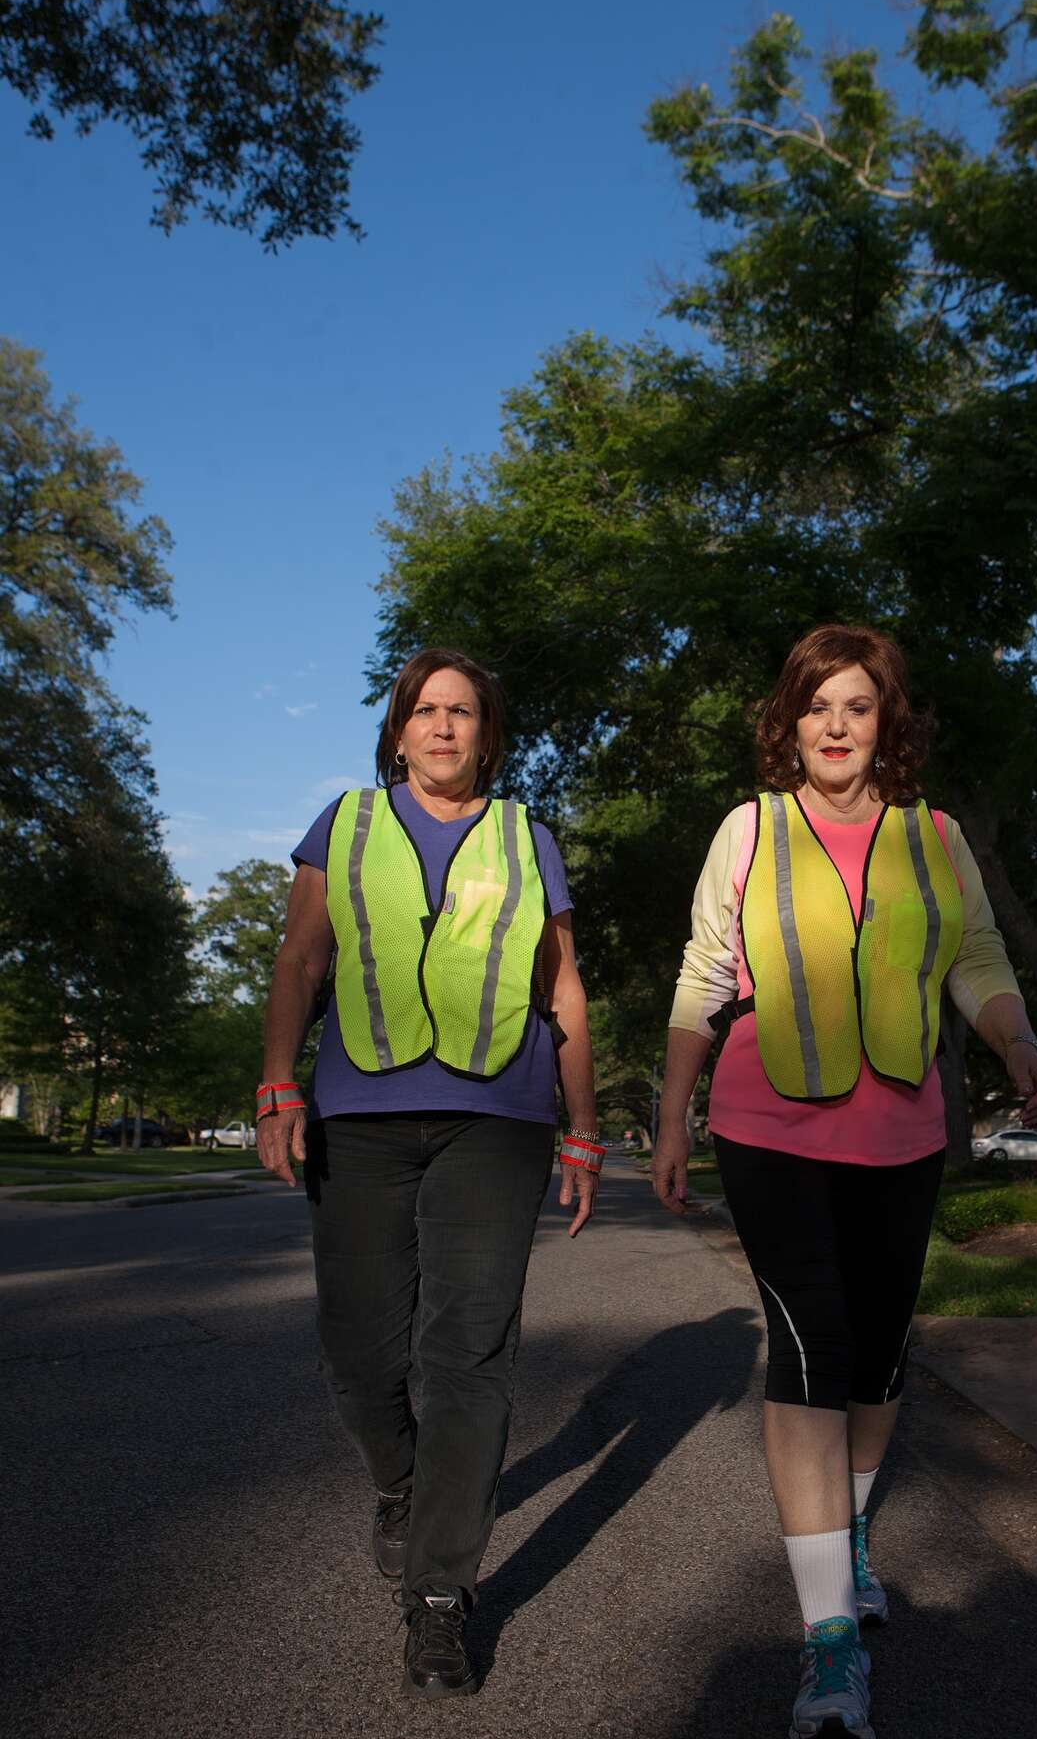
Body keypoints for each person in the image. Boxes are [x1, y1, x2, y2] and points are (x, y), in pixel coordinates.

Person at [653, 625, 1037, 1739]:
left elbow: (977, 957)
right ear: (787, 724)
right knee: (808, 1345)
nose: (836, 726)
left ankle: (852, 1529)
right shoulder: (749, 830)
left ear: (889, 723)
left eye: (858, 707)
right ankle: (829, 1644)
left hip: (901, 1132)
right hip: (768, 1124)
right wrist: (672, 1113)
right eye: (816, 707)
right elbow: (706, 970)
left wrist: (1016, 1044)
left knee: (879, 1354)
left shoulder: (935, 838)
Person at [256, 647, 600, 1699]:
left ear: (487, 735)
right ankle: (402, 1485)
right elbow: (302, 961)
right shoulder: (346, 825)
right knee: (360, 1353)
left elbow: (563, 988)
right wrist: (278, 1085)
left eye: (464, 713)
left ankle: (442, 1598)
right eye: (425, 710)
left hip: (497, 1117)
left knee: (468, 1354)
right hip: (359, 1114)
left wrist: (582, 1127)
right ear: (398, 729)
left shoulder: (525, 836)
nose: (445, 727)